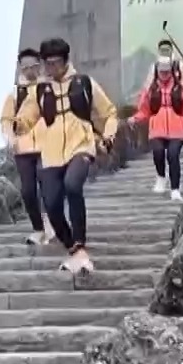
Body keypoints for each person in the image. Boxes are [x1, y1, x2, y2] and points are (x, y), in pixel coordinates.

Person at [31, 38, 118, 274]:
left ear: (66, 61)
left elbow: (109, 112)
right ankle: (74, 249)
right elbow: (26, 119)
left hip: (81, 145)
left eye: (56, 63)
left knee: (72, 185)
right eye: (48, 64)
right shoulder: (40, 90)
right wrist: (15, 131)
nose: (52, 68)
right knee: (51, 204)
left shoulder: (84, 82)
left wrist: (108, 136)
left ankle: (80, 244)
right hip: (50, 154)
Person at [132, 42, 183, 202]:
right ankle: (161, 176)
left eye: (166, 72)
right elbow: (144, 109)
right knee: (157, 151)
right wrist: (135, 118)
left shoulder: (181, 88)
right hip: (157, 126)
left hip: (177, 128)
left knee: (173, 155)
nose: (164, 75)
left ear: (171, 71)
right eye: (161, 72)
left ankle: (175, 189)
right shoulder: (151, 89)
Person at [0, 48, 51, 247]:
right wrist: (10, 137)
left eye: (33, 66)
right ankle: (38, 228)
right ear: (20, 68)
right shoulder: (15, 93)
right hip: (23, 149)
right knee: (28, 191)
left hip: (47, 146)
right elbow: (6, 119)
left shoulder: (49, 88)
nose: (30, 70)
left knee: (49, 189)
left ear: (40, 66)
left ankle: (51, 223)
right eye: (25, 67)